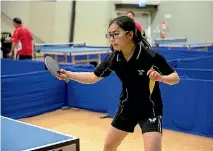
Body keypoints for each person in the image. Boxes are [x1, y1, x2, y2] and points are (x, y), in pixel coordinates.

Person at [58, 16, 180, 151]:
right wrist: (68, 74)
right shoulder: (114, 58)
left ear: (129, 35)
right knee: (108, 147)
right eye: (110, 35)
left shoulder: (149, 56)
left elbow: (175, 78)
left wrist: (161, 78)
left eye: (116, 34)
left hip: (150, 110)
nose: (112, 39)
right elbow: (93, 77)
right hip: (127, 108)